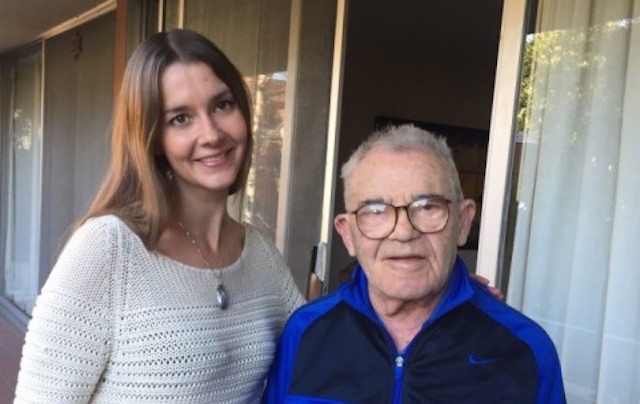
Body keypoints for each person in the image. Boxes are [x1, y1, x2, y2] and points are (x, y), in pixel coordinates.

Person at [14, 29, 305, 403]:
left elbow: (325, 351)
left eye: (222, 105)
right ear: (152, 139)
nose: (211, 134)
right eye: (180, 118)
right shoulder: (110, 248)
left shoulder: (262, 256)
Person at [263, 124, 566, 403]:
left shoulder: (526, 350)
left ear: (463, 222)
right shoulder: (304, 334)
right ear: (347, 234)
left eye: (427, 207)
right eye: (376, 210)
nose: (404, 232)